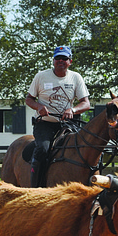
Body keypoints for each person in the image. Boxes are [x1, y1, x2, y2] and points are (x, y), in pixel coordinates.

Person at [25, 45, 91, 187]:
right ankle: (36, 186)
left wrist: (72, 110)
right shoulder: (41, 76)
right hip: (46, 123)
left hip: (69, 123)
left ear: (70, 61)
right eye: (58, 58)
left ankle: (91, 184)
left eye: (64, 58)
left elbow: (86, 104)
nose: (60, 61)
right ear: (53, 60)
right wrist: (39, 107)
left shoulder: (76, 77)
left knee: (86, 147)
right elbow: (29, 99)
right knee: (43, 148)